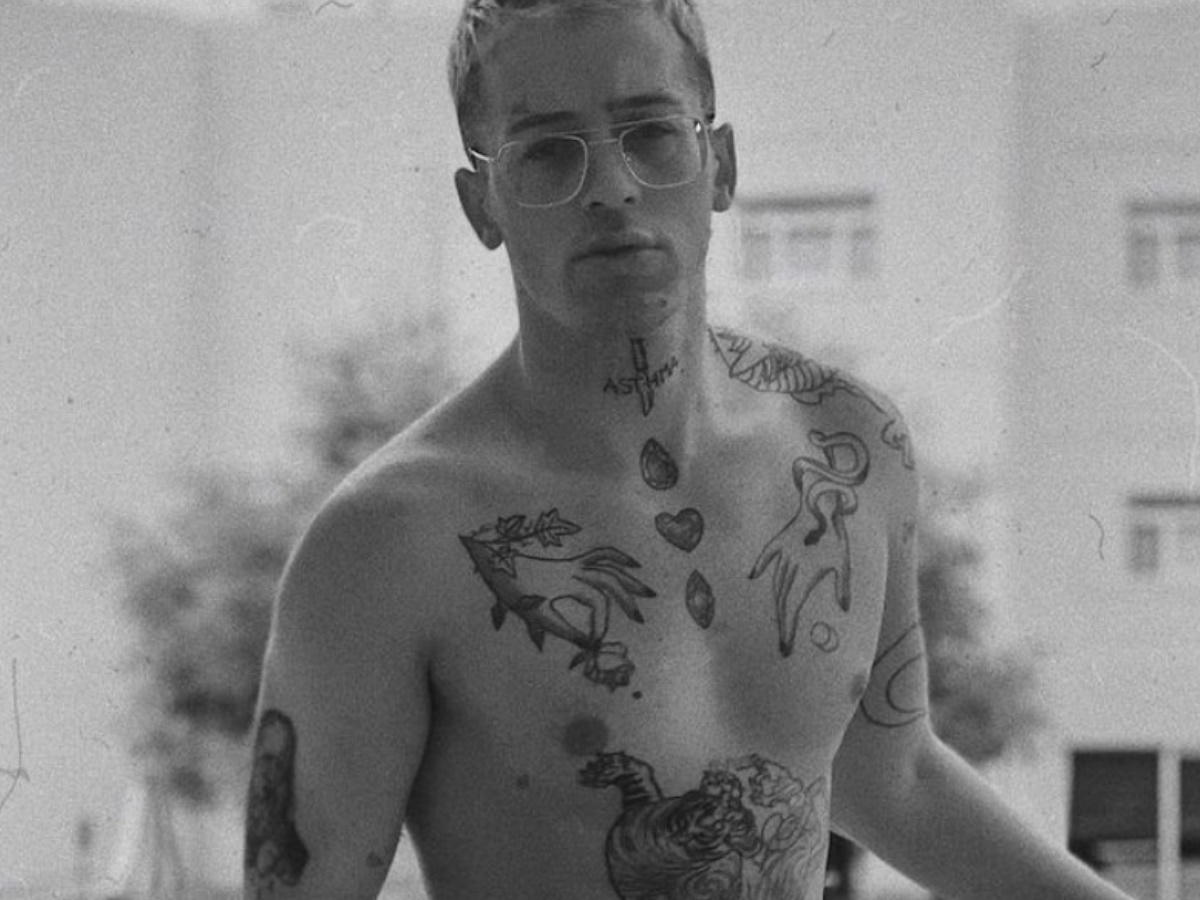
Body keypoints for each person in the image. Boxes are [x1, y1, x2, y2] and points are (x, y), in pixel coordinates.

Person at [243, 2, 1135, 899]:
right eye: (547, 152)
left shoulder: (849, 444)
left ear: (721, 165)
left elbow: (890, 776)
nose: (611, 187)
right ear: (484, 205)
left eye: (652, 133)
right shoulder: (386, 541)